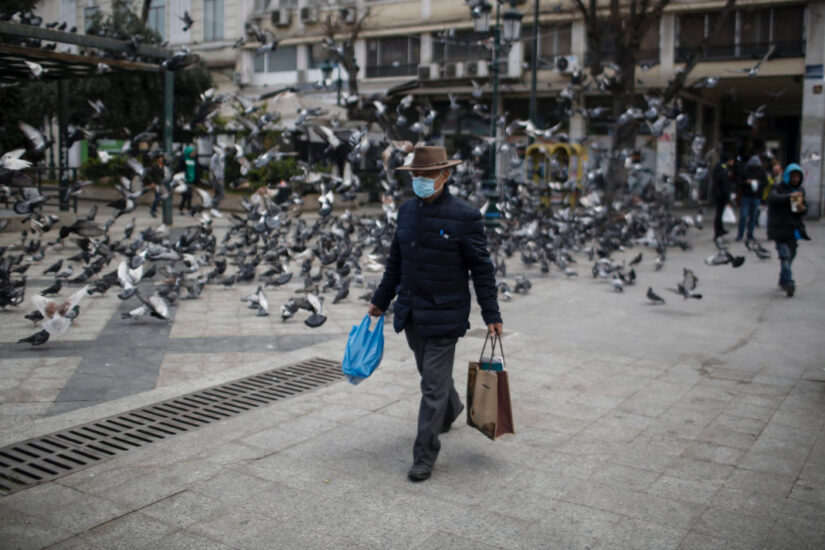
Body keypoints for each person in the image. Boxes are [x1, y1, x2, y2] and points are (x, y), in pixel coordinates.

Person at [367, 146, 503, 482]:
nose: (420, 181)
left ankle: (424, 455)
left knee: (431, 385)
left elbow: (481, 270)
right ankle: (452, 407)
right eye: (415, 175)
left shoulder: (466, 216)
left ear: (445, 175)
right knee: (431, 377)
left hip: (445, 313)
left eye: (426, 175)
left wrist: (491, 313)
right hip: (412, 311)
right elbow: (395, 263)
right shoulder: (406, 212)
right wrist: (380, 300)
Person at [767, 163, 810, 297]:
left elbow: (799, 210)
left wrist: (803, 208)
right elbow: (773, 198)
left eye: (798, 177)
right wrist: (790, 197)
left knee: (790, 256)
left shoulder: (800, 190)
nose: (796, 179)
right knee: (784, 255)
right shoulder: (778, 187)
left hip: (792, 229)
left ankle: (783, 278)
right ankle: (789, 283)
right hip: (779, 228)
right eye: (793, 176)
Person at [736, 155, 766, 241]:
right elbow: (739, 182)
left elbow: (765, 182)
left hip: (756, 197)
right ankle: (740, 234)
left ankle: (750, 234)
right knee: (743, 216)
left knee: (753, 217)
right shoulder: (745, 170)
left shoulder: (761, 171)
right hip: (746, 196)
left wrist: (759, 183)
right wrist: (746, 182)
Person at [712, 152, 735, 240]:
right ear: (728, 161)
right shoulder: (723, 170)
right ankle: (718, 231)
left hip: (717, 194)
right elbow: (725, 185)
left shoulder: (718, 168)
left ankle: (720, 229)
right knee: (719, 214)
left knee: (719, 213)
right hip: (721, 195)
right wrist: (727, 199)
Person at [177, 145, 196, 213]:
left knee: (186, 196)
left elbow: (196, 166)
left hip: (191, 180)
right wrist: (185, 174)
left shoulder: (193, 159)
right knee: (188, 195)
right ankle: (188, 208)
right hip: (185, 180)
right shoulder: (183, 159)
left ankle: (181, 209)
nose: (193, 153)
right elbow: (180, 168)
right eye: (192, 152)